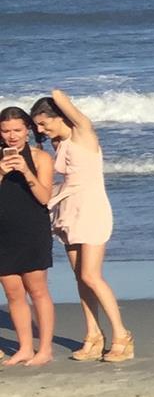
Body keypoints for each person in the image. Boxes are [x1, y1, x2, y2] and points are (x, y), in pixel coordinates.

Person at [29, 90, 132, 363]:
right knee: (80, 277)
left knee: (91, 275)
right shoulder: (59, 143)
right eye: (37, 126)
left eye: (43, 123)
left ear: (59, 116)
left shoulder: (83, 132)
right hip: (68, 210)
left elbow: (58, 95)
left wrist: (53, 101)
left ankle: (122, 335)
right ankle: (93, 335)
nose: (40, 130)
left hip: (91, 208)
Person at [0, 106, 57, 367]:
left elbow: (44, 197)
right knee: (13, 292)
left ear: (28, 131)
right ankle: (24, 347)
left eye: (17, 130)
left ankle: (44, 349)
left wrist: (25, 171)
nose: (12, 136)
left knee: (37, 289)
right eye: (5, 131)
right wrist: (2, 173)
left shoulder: (40, 157)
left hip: (32, 229)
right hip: (3, 232)